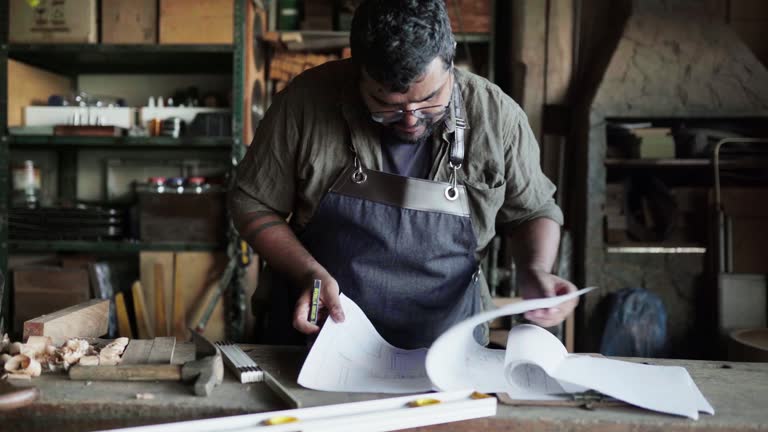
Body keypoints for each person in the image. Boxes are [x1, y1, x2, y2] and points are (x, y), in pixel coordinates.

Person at [229, 0, 577, 349]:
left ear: (451, 58)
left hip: (449, 349)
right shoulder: (305, 104)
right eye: (388, 106)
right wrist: (308, 272)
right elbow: (252, 202)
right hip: (320, 343)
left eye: (429, 100)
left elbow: (532, 211)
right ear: (358, 70)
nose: (411, 120)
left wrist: (535, 271)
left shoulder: (496, 116)